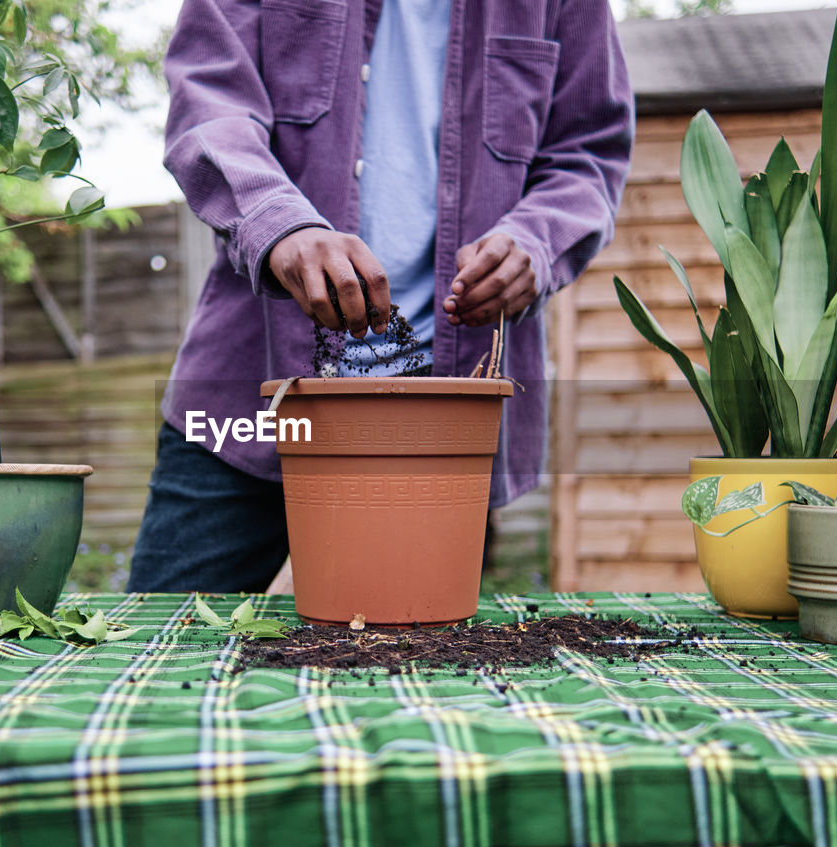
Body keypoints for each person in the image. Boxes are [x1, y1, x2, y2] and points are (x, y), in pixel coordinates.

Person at [127, 0, 633, 594]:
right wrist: (279, 224)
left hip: (446, 421)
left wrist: (537, 244)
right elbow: (209, 103)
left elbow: (588, 152)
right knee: (164, 646)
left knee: (412, 664)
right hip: (248, 400)